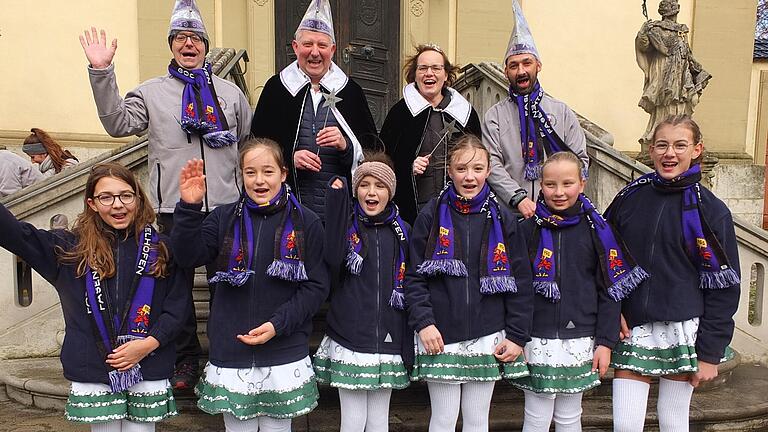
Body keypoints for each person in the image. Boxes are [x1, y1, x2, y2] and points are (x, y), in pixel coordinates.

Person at [79, 0, 252, 391]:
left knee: (230, 284)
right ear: (171, 45)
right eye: (180, 38)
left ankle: (229, 353)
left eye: (195, 38)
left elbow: (245, 144)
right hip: (174, 210)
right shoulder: (152, 93)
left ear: (206, 45)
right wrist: (102, 72)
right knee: (177, 292)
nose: (188, 44)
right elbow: (117, 124)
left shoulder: (230, 94)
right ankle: (186, 360)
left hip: (225, 209)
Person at [0, 162, 189, 431]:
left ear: (138, 198)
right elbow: (15, 235)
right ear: (92, 203)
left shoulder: (162, 248)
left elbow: (178, 307)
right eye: (106, 197)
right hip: (94, 364)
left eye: (126, 195)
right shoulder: (68, 249)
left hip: (148, 361)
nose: (118, 205)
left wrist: (148, 344)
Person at [172, 138, 329, 432]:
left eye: (268, 172)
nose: (259, 181)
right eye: (250, 172)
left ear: (283, 173)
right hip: (232, 349)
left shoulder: (307, 222)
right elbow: (186, 256)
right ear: (241, 175)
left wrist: (278, 325)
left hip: (283, 348)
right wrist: (190, 209)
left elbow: (316, 287)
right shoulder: (221, 218)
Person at [606, 115, 740, 432]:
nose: (670, 153)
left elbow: (724, 288)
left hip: (682, 326)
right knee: (625, 425)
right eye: (662, 145)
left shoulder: (712, 210)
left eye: (680, 145)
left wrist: (710, 353)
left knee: (673, 421)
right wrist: (610, 312)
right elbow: (603, 261)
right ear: (651, 150)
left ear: (696, 150)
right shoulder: (629, 198)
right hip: (633, 326)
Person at [405, 134, 533, 432]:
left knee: (477, 421)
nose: (469, 176)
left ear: (489, 171)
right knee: (444, 420)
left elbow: (521, 282)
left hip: (487, 334)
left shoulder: (503, 218)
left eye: (477, 168)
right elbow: (414, 276)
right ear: (449, 170)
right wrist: (424, 322)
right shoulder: (430, 215)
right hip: (440, 335)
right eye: (461, 169)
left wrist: (516, 335)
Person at [514, 152, 647, 432]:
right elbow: (516, 290)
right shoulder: (526, 231)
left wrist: (606, 342)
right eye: (550, 185)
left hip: (581, 338)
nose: (559, 192)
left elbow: (610, 290)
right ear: (540, 185)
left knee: (570, 416)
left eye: (567, 183)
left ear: (582, 183)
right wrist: (516, 337)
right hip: (535, 338)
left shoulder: (598, 231)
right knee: (536, 416)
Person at [250, 0, 377, 222]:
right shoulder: (276, 89)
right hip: (286, 208)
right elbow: (257, 148)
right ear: (295, 47)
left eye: (322, 45)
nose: (315, 53)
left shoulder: (351, 92)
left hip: (338, 211)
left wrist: (345, 145)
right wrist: (289, 157)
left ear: (333, 50)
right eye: (308, 44)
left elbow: (370, 152)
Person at [314, 153, 411, 431]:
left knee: (379, 420)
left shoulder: (403, 231)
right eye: (365, 184)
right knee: (354, 420)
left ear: (390, 192)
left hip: (388, 340)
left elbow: (411, 283)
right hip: (350, 339)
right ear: (356, 190)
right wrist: (335, 204)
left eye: (379, 185)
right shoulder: (345, 227)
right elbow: (332, 258)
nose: (371, 191)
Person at [482, 0, 588, 219]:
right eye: (514, 65)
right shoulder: (494, 116)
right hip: (511, 214)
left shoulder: (562, 112)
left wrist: (561, 196)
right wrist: (518, 198)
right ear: (505, 72)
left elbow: (579, 159)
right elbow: (491, 164)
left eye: (526, 63)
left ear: (538, 65)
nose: (521, 71)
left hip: (558, 213)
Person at [380, 43, 482, 224]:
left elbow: (478, 159)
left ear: (446, 75)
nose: (429, 73)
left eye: (436, 68)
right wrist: (408, 167)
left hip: (457, 211)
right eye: (423, 68)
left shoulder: (464, 114)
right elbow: (384, 161)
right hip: (414, 212)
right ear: (415, 75)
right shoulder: (400, 113)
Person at [635, 0, 711, 145]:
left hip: (681, 71)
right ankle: (660, 133)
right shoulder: (655, 29)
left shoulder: (681, 30)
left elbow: (686, 52)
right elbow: (644, 47)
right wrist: (643, 33)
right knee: (665, 100)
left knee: (683, 99)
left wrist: (695, 69)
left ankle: (681, 132)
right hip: (663, 68)